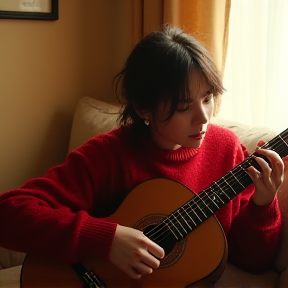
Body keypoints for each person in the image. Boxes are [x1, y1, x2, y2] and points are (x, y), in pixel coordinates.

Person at [0, 25, 285, 283]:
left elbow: (254, 262)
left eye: (208, 98)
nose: (203, 118)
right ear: (143, 109)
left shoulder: (227, 149)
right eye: (184, 107)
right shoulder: (107, 155)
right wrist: (106, 239)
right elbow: (9, 213)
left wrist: (263, 202)